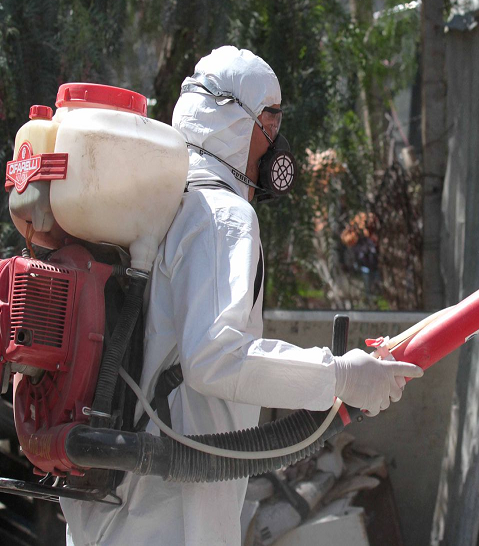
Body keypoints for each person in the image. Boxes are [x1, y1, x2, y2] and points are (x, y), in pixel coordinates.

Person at [61, 46, 423, 545]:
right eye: (270, 119)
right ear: (236, 120)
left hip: (116, 505)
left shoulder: (165, 203)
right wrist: (340, 375)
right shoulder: (223, 215)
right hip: (168, 515)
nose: (276, 139)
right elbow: (214, 357)